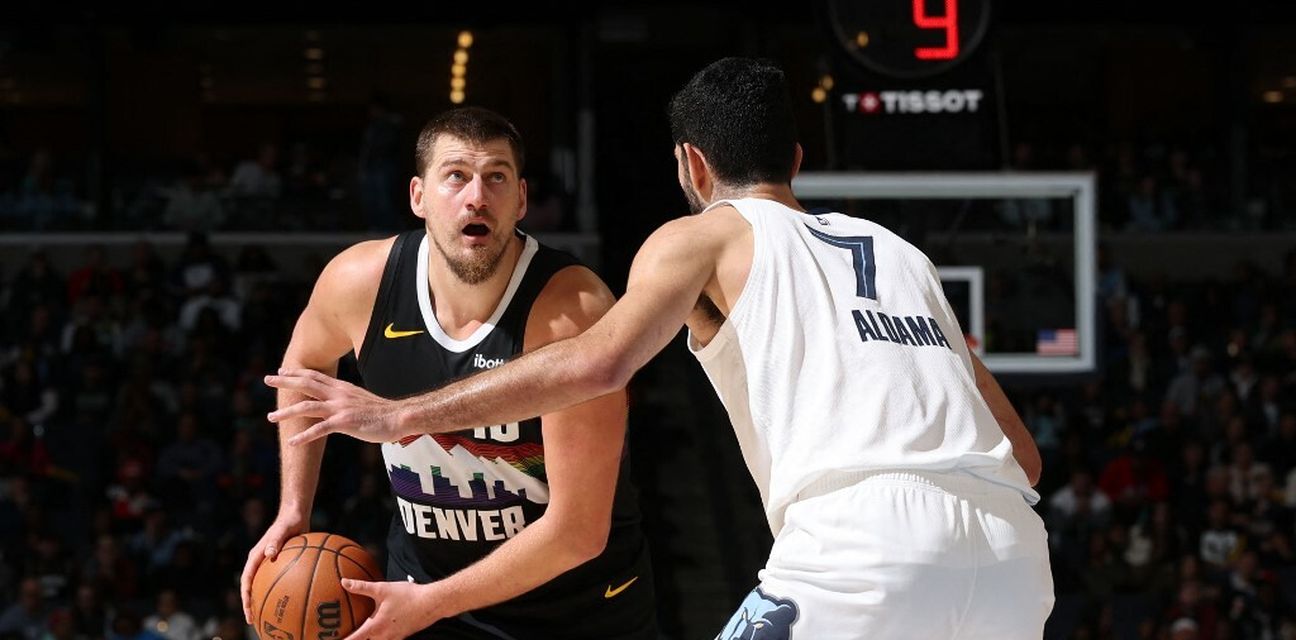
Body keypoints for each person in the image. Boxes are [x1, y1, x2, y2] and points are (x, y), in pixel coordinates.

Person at [267, 58, 1053, 638]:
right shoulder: (899, 254)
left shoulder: (702, 235)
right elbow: (1024, 454)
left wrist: (397, 417)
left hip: (863, 545)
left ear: (691, 164)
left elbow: (600, 363)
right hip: (1015, 558)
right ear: (797, 162)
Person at [242, 107, 655, 639]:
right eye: (456, 175)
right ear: (418, 196)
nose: (476, 196)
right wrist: (293, 509)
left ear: (521, 200)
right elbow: (301, 367)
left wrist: (431, 603)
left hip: (575, 613)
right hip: (424, 592)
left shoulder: (572, 311)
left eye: (496, 177)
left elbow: (577, 533)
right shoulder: (359, 283)